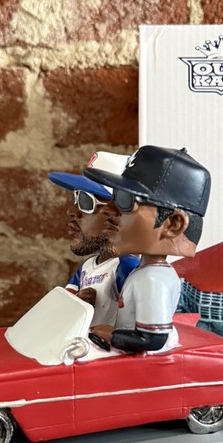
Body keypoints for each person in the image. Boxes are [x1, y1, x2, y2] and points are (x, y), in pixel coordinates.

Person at [83, 145, 211, 355]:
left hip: (140, 364)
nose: (109, 210)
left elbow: (152, 339)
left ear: (173, 224)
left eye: (125, 200)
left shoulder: (153, 278)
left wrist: (111, 334)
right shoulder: (146, 272)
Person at [49, 151, 138, 325]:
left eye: (86, 201)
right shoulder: (86, 267)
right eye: (75, 198)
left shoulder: (126, 267)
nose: (72, 212)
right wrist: (77, 303)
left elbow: (136, 324)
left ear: (118, 212)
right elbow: (62, 308)